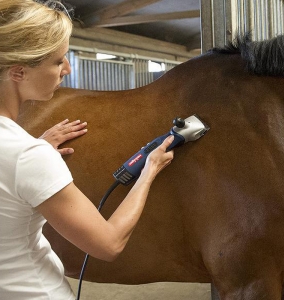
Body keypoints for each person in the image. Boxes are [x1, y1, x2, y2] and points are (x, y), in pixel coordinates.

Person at [0, 1, 174, 299]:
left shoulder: (23, 152)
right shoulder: (27, 155)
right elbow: (108, 245)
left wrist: (33, 152)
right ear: (18, 73)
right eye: (58, 61)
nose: (67, 69)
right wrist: (149, 169)